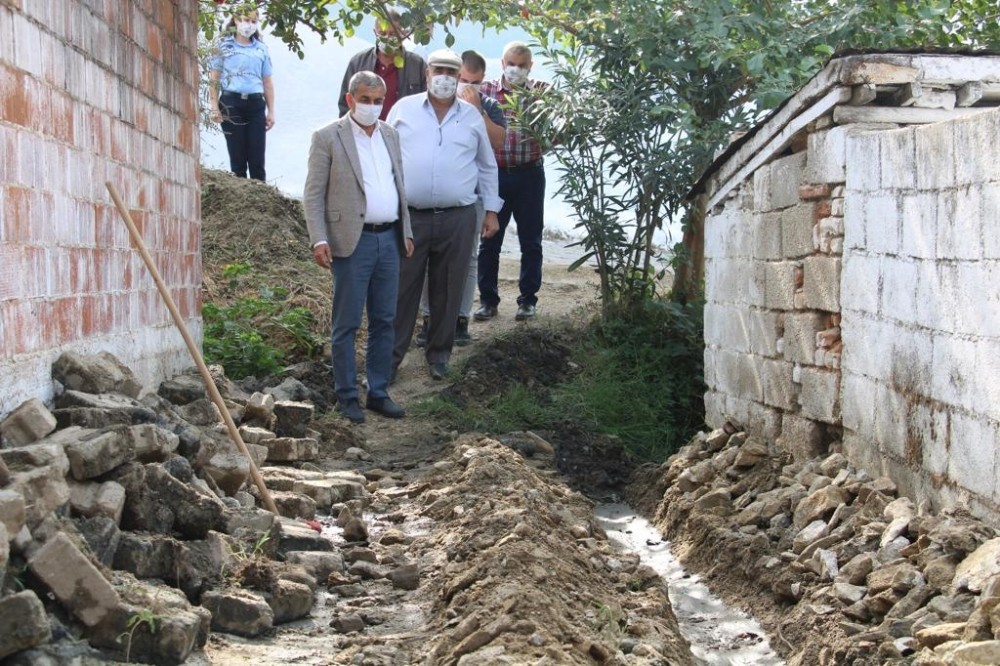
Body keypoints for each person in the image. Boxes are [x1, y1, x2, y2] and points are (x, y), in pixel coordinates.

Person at [303, 71, 414, 424]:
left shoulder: (390, 135)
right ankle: (347, 395)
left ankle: (378, 392)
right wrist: (319, 238)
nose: (372, 106)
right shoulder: (327, 137)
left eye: (378, 101)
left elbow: (399, 185)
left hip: (389, 238)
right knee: (347, 323)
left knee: (385, 320)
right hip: (351, 240)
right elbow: (313, 193)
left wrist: (406, 230)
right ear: (350, 99)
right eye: (365, 100)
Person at [387, 49, 501, 380]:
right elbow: (384, 156)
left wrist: (491, 211)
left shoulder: (471, 117)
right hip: (410, 216)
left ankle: (439, 355)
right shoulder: (403, 109)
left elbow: (486, 165)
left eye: (452, 72)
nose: (445, 78)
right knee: (402, 289)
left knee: (449, 288)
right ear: (427, 74)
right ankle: (390, 360)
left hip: (458, 216)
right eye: (439, 70)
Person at [414, 49, 506, 348]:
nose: (467, 87)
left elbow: (494, 150)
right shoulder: (416, 108)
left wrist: (477, 108)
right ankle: (429, 318)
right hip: (430, 200)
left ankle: (460, 318)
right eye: (463, 79)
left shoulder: (487, 108)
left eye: (474, 83)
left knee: (467, 260)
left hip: (471, 198)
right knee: (428, 261)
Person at [475, 41, 549, 322]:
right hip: (495, 175)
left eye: (521, 65)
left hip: (530, 175)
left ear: (530, 66)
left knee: (531, 240)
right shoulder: (486, 91)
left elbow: (558, 131)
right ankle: (488, 300)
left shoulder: (542, 93)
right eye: (510, 64)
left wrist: (544, 144)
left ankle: (527, 300)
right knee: (489, 239)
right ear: (502, 63)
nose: (515, 69)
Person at [208, 3, 275, 181]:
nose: (249, 25)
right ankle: (240, 191)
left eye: (253, 21)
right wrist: (214, 107)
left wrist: (271, 111)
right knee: (237, 157)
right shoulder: (224, 46)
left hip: (255, 104)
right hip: (231, 103)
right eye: (246, 20)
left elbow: (267, 82)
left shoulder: (261, 49)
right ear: (236, 20)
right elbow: (214, 79)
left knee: (257, 158)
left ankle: (259, 193)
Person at [338, 10, 427, 120]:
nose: (387, 38)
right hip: (364, 129)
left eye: (392, 34)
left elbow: (427, 104)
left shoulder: (417, 65)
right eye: (382, 33)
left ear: (403, 34)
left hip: (402, 129)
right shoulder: (358, 62)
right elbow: (345, 105)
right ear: (375, 32)